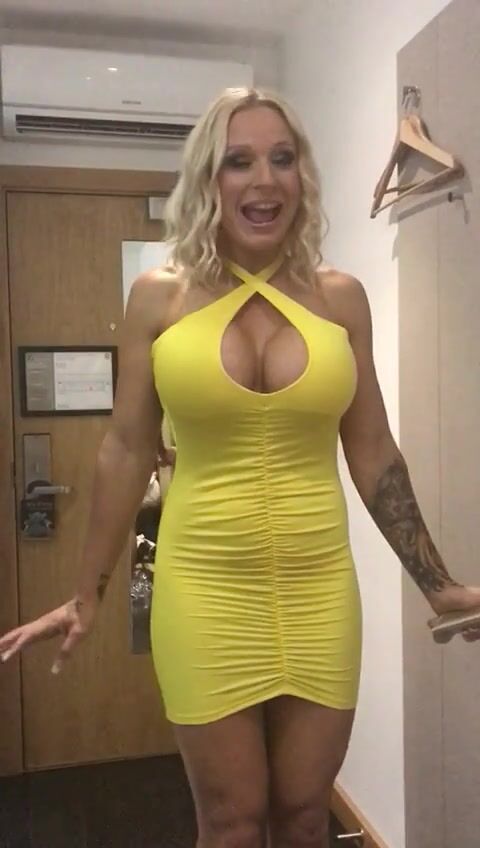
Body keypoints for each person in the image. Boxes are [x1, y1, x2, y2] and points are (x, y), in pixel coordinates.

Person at [1, 87, 480, 848]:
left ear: (302, 175)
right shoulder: (158, 298)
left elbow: (373, 450)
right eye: (239, 161)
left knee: (303, 819)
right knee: (231, 825)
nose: (265, 180)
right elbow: (125, 448)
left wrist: (438, 582)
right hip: (204, 590)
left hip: (319, 588)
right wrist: (87, 593)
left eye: (282, 159)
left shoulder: (341, 299)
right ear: (207, 179)